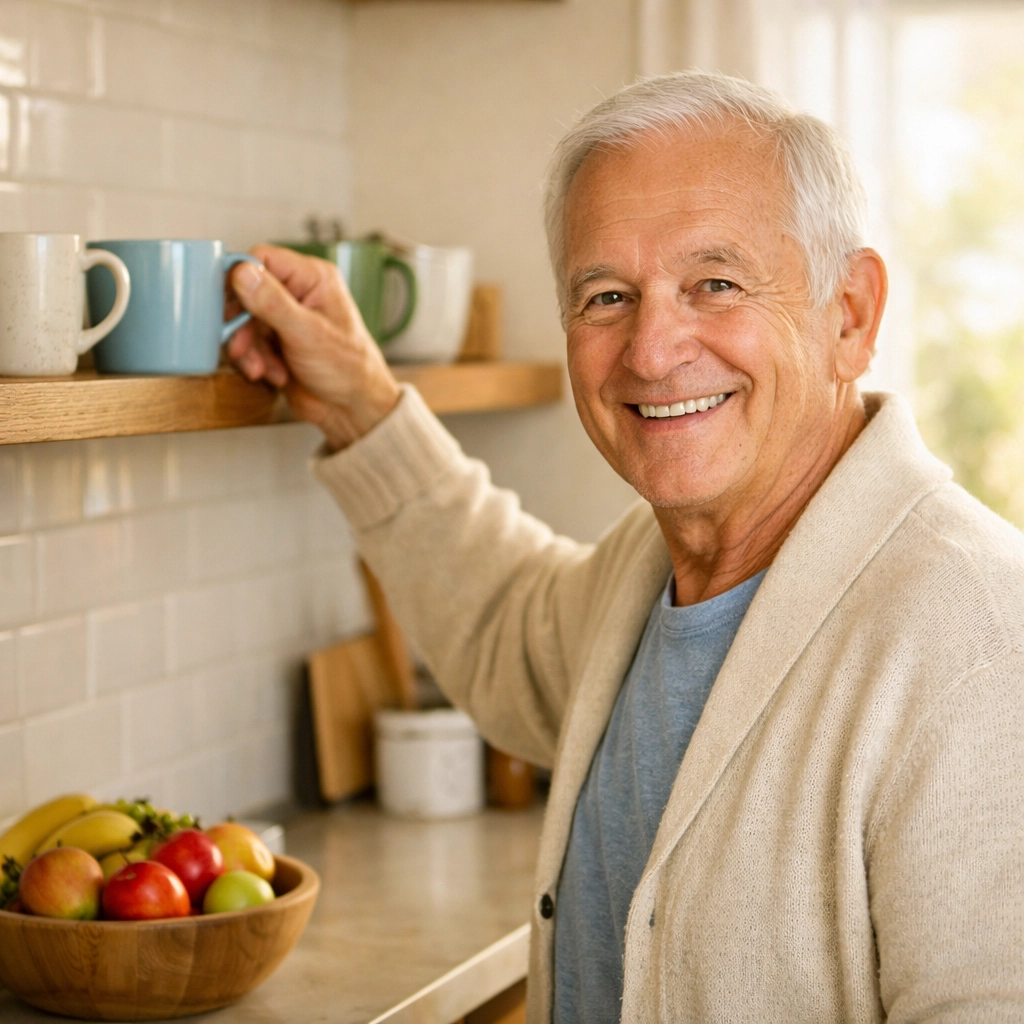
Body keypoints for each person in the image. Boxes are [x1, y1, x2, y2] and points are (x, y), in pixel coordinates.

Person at [227, 72, 1024, 1023]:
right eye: (606, 296)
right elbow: (500, 618)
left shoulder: (981, 643)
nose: (650, 350)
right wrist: (362, 402)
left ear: (848, 313)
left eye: (715, 284)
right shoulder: (649, 576)